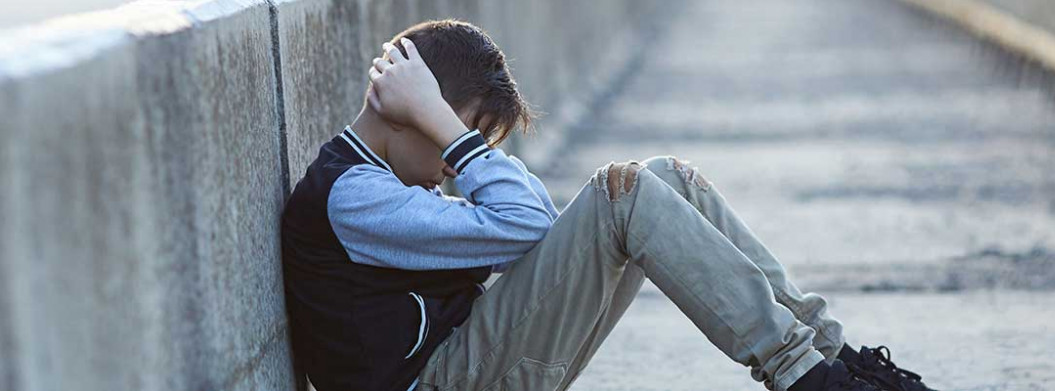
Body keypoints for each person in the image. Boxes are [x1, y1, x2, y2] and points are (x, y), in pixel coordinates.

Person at [280, 19, 937, 391]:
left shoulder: (381, 183)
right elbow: (528, 222)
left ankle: (831, 357)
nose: (457, 162)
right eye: (463, 137)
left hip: (468, 369)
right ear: (411, 113)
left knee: (657, 178)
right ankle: (803, 378)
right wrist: (449, 131)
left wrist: (445, 131)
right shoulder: (353, 194)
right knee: (617, 199)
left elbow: (526, 225)